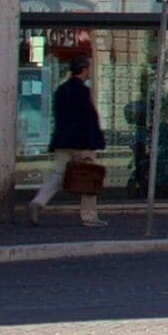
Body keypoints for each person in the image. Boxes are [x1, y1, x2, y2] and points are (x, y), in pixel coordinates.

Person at [26, 34, 106, 227]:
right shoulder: (83, 91)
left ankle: (38, 201)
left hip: (63, 141)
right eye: (88, 69)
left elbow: (59, 116)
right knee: (89, 177)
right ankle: (89, 216)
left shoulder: (61, 90)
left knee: (57, 176)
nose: (89, 73)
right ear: (84, 70)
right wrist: (94, 141)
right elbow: (87, 119)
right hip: (81, 142)